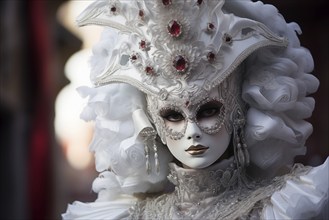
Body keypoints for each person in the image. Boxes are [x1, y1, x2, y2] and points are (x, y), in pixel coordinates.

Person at [62, 0, 328, 219]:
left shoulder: (283, 207)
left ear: (241, 109)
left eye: (209, 111)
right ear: (153, 122)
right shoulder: (131, 215)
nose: (192, 132)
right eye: (173, 116)